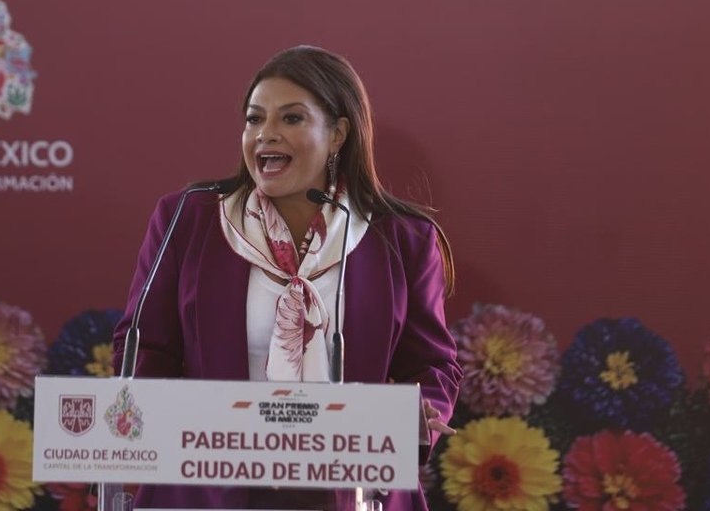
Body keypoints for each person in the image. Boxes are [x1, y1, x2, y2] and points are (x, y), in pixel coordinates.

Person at [112, 45, 461, 511]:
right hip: (207, 487)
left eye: (291, 119)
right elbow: (143, 346)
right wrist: (158, 431)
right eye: (255, 119)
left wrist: (415, 417)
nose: (265, 135)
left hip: (350, 487)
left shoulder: (401, 239)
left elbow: (433, 365)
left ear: (337, 134)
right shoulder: (188, 218)